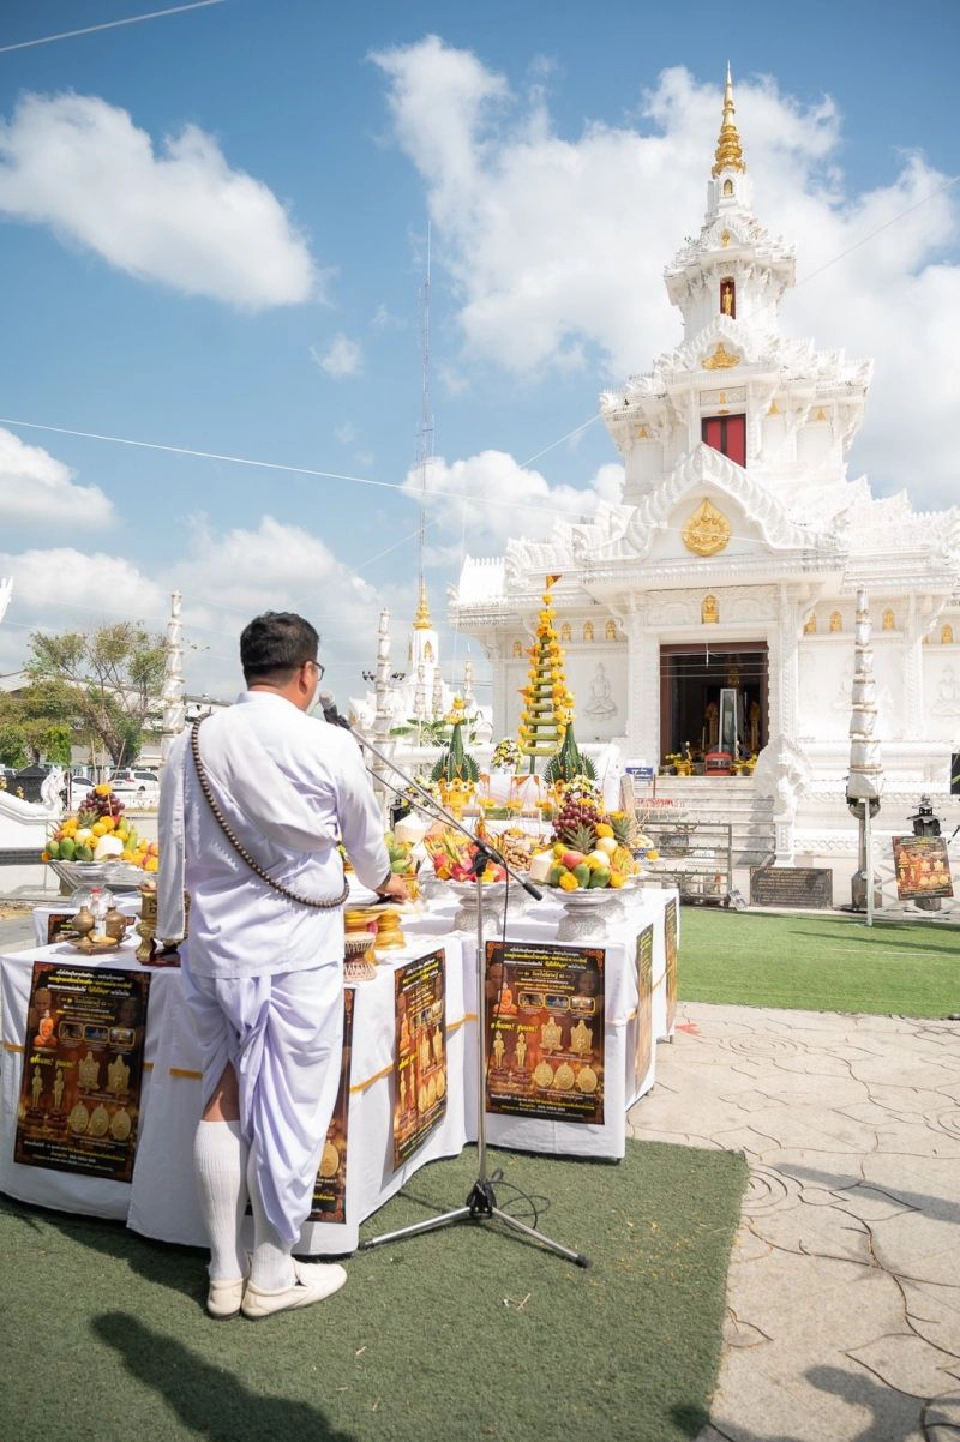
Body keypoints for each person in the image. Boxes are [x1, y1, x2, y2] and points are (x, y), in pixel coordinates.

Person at [158, 612, 406, 1321]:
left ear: (248, 669)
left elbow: (171, 845)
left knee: (224, 1090)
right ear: (307, 673)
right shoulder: (328, 743)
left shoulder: (192, 741)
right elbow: (366, 846)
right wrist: (383, 877)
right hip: (297, 950)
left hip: (213, 950)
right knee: (291, 1106)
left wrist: (170, 930)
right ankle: (271, 1270)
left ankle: (221, 1272)